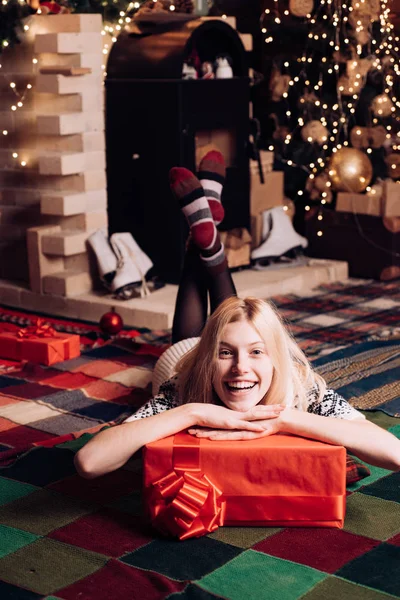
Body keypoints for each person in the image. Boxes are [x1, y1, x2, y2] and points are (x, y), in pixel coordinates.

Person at [74, 151, 400, 479]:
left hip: (205, 354)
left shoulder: (299, 386)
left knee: (231, 321)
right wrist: (192, 412)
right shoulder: (183, 387)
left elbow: (395, 453)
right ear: (208, 359)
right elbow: (89, 461)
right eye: (225, 354)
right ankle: (206, 237)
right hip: (182, 358)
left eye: (257, 352)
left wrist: (284, 418)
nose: (241, 367)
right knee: (207, 332)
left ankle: (201, 235)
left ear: (276, 358)